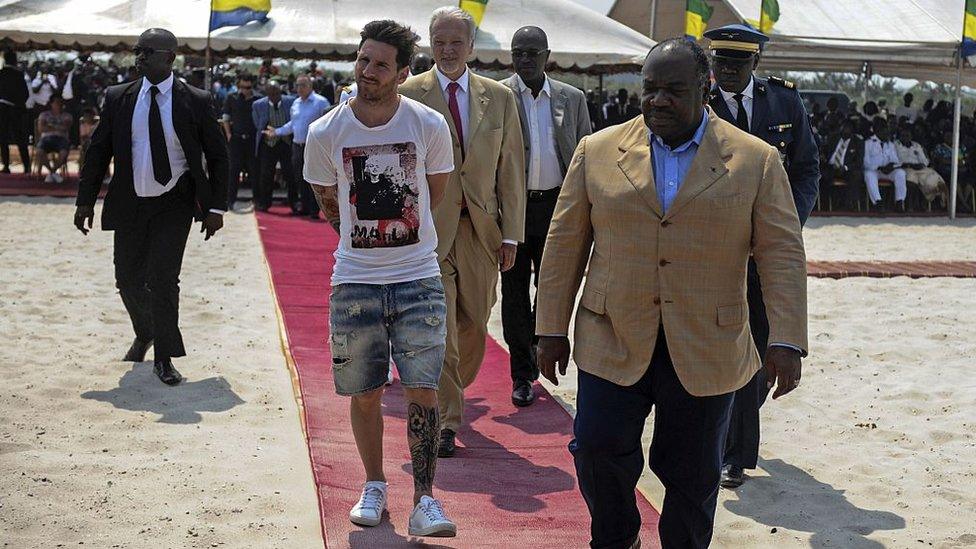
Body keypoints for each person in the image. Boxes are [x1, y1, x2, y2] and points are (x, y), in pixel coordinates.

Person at [535, 38, 808, 549]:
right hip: (611, 331)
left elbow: (782, 256)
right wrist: (550, 328)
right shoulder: (597, 151)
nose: (657, 100)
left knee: (692, 475)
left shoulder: (755, 160)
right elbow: (564, 243)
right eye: (650, 88)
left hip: (708, 341)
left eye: (673, 90)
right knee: (595, 449)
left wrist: (787, 339)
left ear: (705, 88)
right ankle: (617, 539)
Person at [304, 19, 457, 537]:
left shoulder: (429, 126)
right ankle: (374, 484)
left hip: (419, 277)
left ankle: (425, 498)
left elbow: (433, 196)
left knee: (424, 389)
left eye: (380, 64)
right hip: (355, 280)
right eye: (363, 60)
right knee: (364, 390)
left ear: (402, 72)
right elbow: (328, 204)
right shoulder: (326, 131)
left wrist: (396, 238)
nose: (368, 71)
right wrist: (367, 242)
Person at [399, 6, 525, 458]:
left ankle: (455, 384)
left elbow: (511, 168)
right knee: (443, 328)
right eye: (439, 43)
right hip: (430, 233)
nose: (447, 50)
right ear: (428, 46)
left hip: (483, 232)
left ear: (472, 46)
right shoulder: (409, 93)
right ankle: (448, 420)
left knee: (474, 322)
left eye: (456, 42)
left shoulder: (500, 97)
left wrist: (512, 234)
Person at [73, 28, 228, 386]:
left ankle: (164, 358)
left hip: (175, 202)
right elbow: (98, 152)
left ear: (169, 58)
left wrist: (216, 208)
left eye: (146, 52)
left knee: (162, 279)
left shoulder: (196, 100)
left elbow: (219, 156)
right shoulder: (118, 97)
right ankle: (146, 332)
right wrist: (85, 200)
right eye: (137, 51)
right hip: (130, 201)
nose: (138, 57)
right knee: (126, 279)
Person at [703, 23, 819, 488]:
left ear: (757, 63)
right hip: (713, 248)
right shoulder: (699, 102)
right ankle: (733, 454)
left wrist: (789, 224)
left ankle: (734, 440)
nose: (728, 72)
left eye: (738, 63)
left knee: (759, 348)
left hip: (766, 251)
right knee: (723, 348)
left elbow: (807, 167)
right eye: (721, 62)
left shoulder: (784, 102)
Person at [499, 26, 591, 407]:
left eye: (532, 53)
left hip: (558, 208)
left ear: (547, 55)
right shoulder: (500, 96)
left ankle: (539, 342)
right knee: (514, 293)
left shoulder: (572, 99)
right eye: (518, 52)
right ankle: (521, 374)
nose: (525, 60)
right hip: (515, 211)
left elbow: (587, 153)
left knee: (552, 287)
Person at [265, 74, 330, 217]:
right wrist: (277, 132)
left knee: (314, 179)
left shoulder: (321, 102)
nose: (299, 88)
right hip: (297, 145)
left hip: (314, 147)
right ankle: (305, 207)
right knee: (300, 177)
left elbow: (328, 124)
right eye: (298, 85)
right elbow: (293, 125)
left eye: (303, 85)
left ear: (310, 86)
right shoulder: (296, 103)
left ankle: (315, 209)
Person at [251, 80, 295, 212]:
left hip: (286, 143)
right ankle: (265, 203)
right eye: (272, 94)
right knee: (266, 175)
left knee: (290, 174)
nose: (275, 96)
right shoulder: (258, 105)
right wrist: (267, 133)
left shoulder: (291, 102)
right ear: (267, 94)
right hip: (268, 144)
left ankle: (294, 202)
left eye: (277, 93)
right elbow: (257, 123)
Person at [222, 74, 261, 211]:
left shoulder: (258, 99)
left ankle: (257, 201)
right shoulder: (231, 98)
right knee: (233, 171)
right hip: (236, 139)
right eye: (243, 87)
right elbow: (226, 117)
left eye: (248, 87)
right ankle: (229, 201)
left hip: (252, 139)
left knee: (254, 171)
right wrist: (228, 134)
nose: (245, 90)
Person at [895, 126, 946, 207]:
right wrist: (910, 165)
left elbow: (925, 160)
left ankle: (930, 202)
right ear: (900, 136)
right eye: (903, 136)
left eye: (907, 136)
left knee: (937, 181)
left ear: (911, 136)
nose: (905, 138)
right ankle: (910, 205)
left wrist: (921, 165)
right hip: (906, 168)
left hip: (920, 168)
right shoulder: (896, 145)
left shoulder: (917, 145)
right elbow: (896, 160)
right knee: (911, 181)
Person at [863, 118, 907, 210]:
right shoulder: (868, 143)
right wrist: (879, 167)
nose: (887, 133)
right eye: (884, 130)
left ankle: (899, 201)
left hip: (888, 171)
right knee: (869, 175)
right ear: (877, 131)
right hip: (875, 170)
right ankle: (878, 202)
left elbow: (897, 161)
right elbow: (865, 162)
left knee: (901, 173)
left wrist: (892, 166)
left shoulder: (890, 144)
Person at [821, 119, 865, 210]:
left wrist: (845, 167)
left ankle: (849, 204)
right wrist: (822, 156)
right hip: (831, 167)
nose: (845, 129)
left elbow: (858, 162)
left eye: (848, 127)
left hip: (847, 169)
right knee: (820, 174)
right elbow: (824, 151)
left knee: (856, 175)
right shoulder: (833, 138)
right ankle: (823, 203)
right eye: (843, 127)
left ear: (852, 130)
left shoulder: (858, 142)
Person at [0, 49, 31, 174]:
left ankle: (6, 166)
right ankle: (26, 166)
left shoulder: (1, 74)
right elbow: (25, 94)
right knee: (20, 138)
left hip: (1, 108)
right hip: (15, 110)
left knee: (3, 138)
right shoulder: (19, 75)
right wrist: (17, 104)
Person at [36, 94, 73, 183]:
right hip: (46, 138)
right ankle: (52, 173)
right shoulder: (44, 115)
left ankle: (52, 173)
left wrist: (50, 126)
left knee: (64, 153)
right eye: (57, 103)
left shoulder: (67, 116)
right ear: (51, 103)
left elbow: (66, 128)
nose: (59, 105)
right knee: (40, 151)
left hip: (61, 139)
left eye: (61, 103)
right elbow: (41, 129)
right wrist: (58, 127)